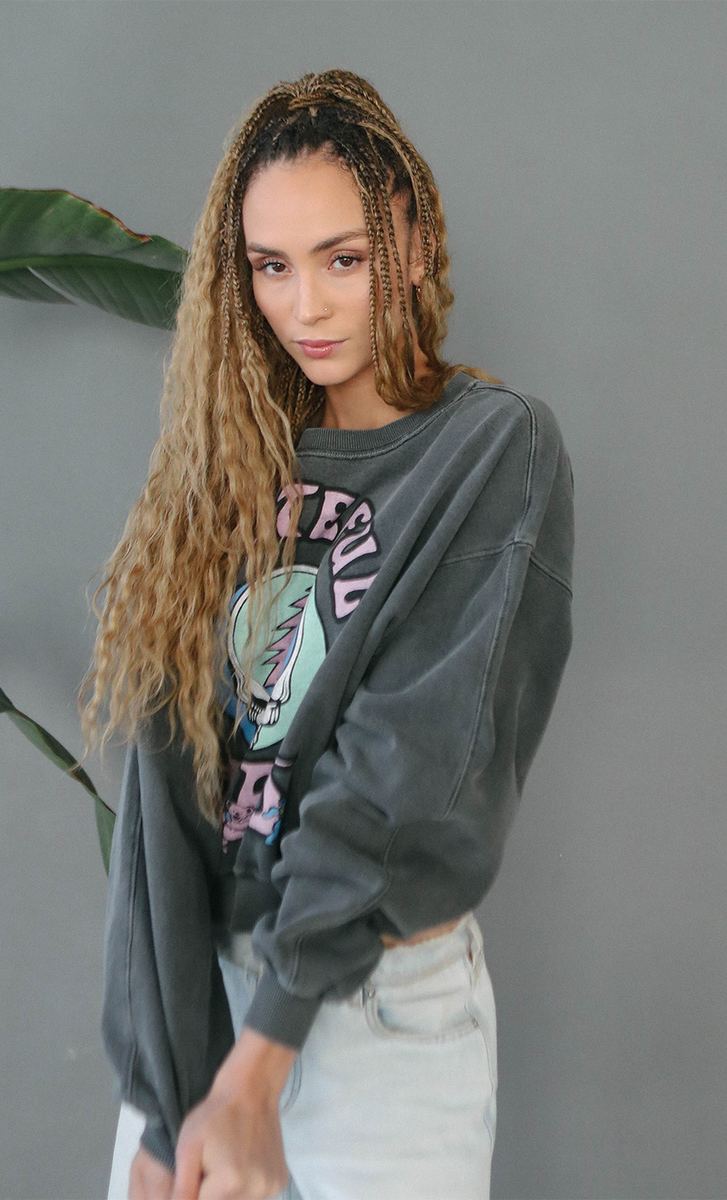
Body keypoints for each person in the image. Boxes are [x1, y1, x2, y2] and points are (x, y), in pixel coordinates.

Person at [78, 69, 574, 1200]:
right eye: (272, 267)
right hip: (203, 1014)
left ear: (412, 239)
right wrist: (165, 1094)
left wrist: (259, 1070)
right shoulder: (225, 462)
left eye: (342, 260)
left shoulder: (490, 452)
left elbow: (407, 771)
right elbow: (164, 798)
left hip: (376, 1022)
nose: (305, 306)